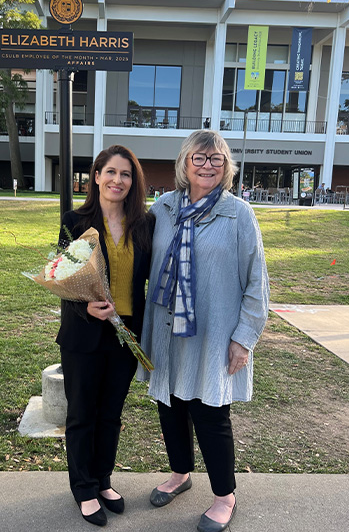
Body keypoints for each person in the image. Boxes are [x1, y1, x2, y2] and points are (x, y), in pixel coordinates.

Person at [139, 130, 269, 532]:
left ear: (226, 167)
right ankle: (180, 474)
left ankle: (225, 496)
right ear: (184, 164)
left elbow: (256, 283)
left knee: (211, 413)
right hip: (166, 330)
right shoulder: (162, 209)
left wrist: (243, 339)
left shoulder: (238, 214)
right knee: (170, 406)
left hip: (214, 335)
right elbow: (134, 254)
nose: (208, 165)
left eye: (216, 159)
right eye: (199, 158)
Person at [56, 145, 155, 527]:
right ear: (96, 176)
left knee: (110, 414)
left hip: (125, 336)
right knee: (82, 414)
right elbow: (62, 278)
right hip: (84, 336)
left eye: (126, 174)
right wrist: (86, 308)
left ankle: (102, 479)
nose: (118, 180)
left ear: (134, 182)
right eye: (110, 172)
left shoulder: (144, 225)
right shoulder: (74, 221)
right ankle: (83, 488)